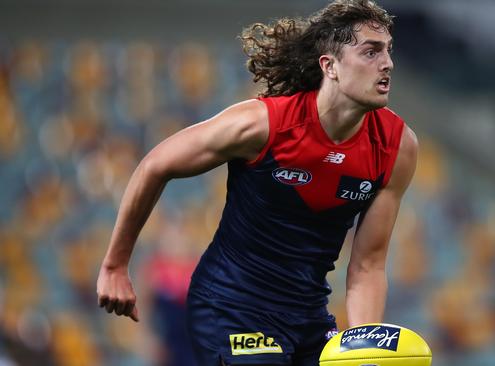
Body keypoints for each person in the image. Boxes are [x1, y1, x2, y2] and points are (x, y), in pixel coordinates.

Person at [96, 1, 418, 365]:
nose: (387, 63)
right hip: (232, 307)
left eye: (388, 50)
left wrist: (364, 350)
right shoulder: (263, 124)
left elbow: (368, 266)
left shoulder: (397, 147)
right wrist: (115, 265)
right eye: (371, 51)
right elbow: (156, 164)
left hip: (308, 318)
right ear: (330, 66)